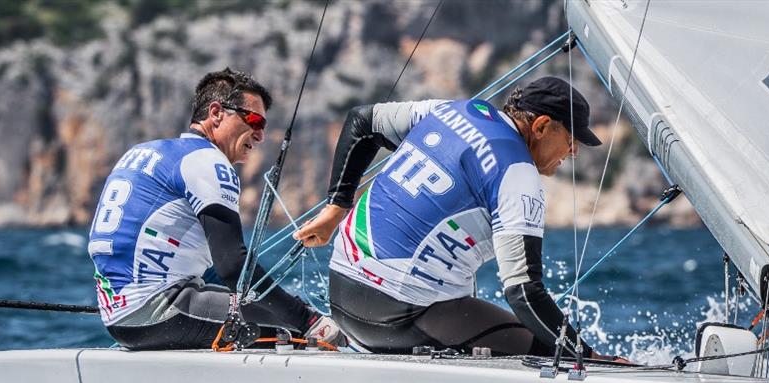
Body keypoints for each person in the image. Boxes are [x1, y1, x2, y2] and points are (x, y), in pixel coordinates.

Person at [294, 76, 616, 358]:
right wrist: (586, 356)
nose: (573, 153)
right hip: (397, 318)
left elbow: (362, 122)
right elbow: (523, 292)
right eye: (571, 141)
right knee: (549, 351)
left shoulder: (453, 110)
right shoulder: (518, 173)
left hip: (340, 294)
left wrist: (336, 207)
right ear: (542, 126)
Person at [88, 67, 344, 350]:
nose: (259, 135)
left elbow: (213, 271)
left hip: (118, 318)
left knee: (277, 310)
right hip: (162, 312)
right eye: (254, 120)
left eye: (263, 126)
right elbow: (233, 265)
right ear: (216, 112)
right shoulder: (207, 162)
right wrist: (308, 321)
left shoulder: (141, 152)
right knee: (301, 334)